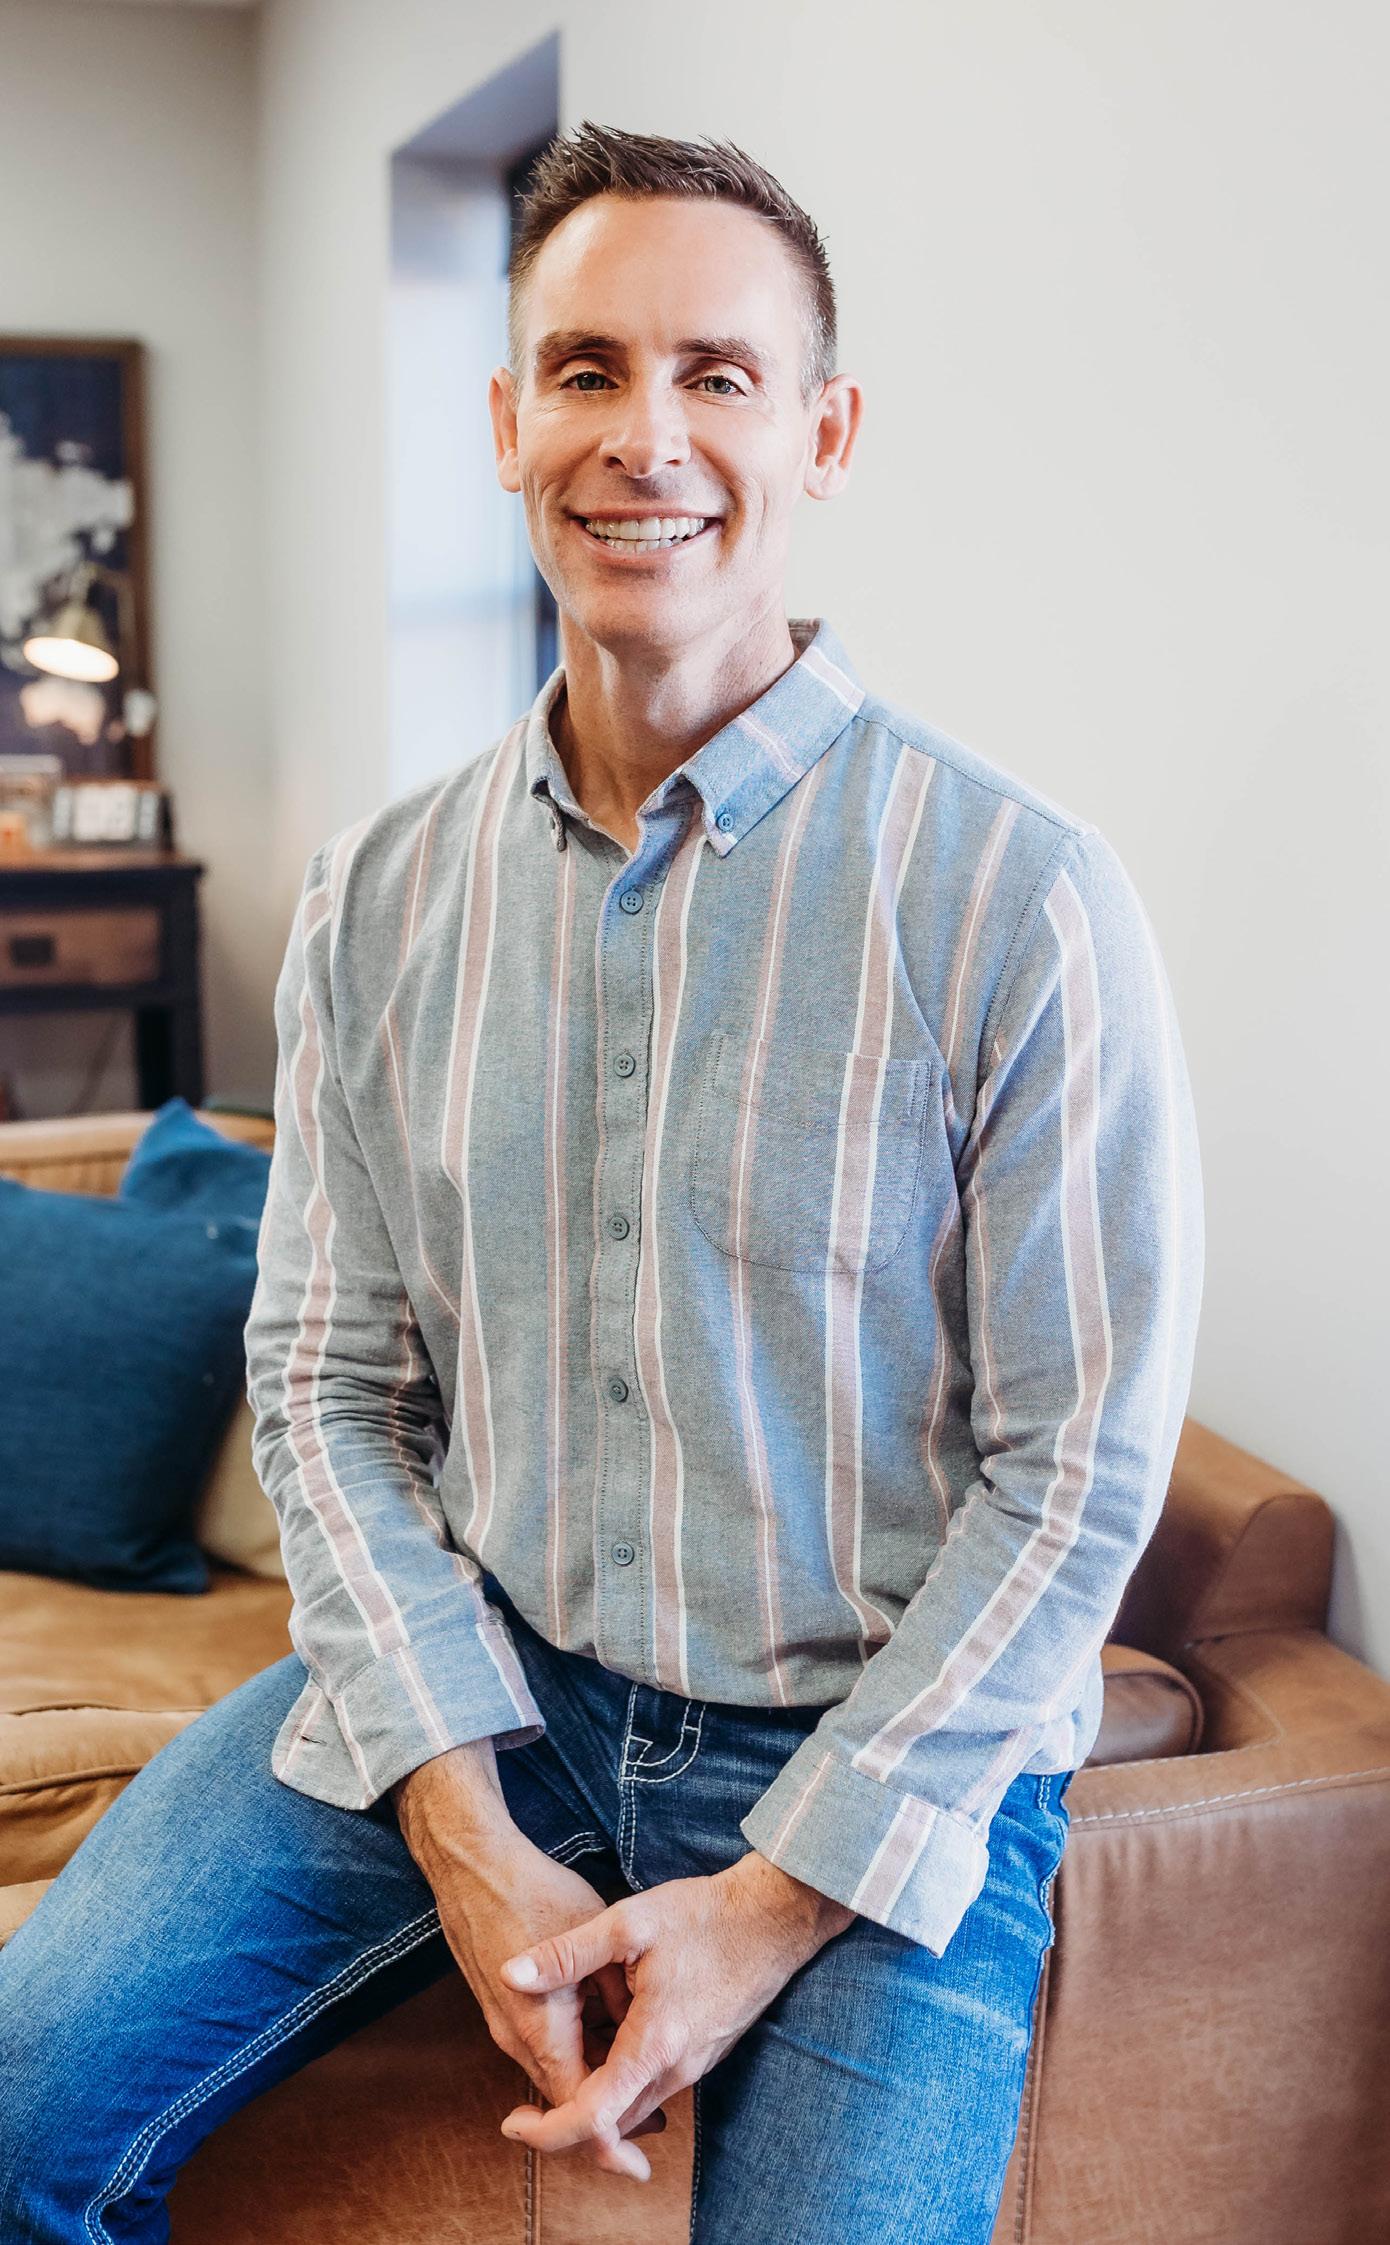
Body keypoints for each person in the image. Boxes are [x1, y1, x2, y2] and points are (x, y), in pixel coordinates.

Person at [0, 120, 1203, 2243]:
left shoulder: (1014, 895)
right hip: (486, 1683)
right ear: (505, 424)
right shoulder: (377, 897)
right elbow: (327, 1386)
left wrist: (774, 1896)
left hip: (870, 1746)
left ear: (822, 432)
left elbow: (1074, 1470)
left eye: (716, 374)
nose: (645, 437)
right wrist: (454, 1813)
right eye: (584, 370)